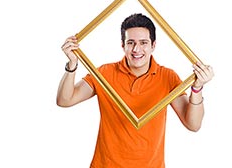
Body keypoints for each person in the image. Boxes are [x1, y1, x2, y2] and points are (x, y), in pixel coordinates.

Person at [57, 13, 214, 168]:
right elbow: (65, 100)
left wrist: (197, 87)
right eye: (130, 42)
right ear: (122, 45)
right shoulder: (104, 73)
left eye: (143, 42)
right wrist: (72, 64)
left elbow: (193, 124)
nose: (136, 49)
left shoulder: (167, 77)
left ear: (153, 45)